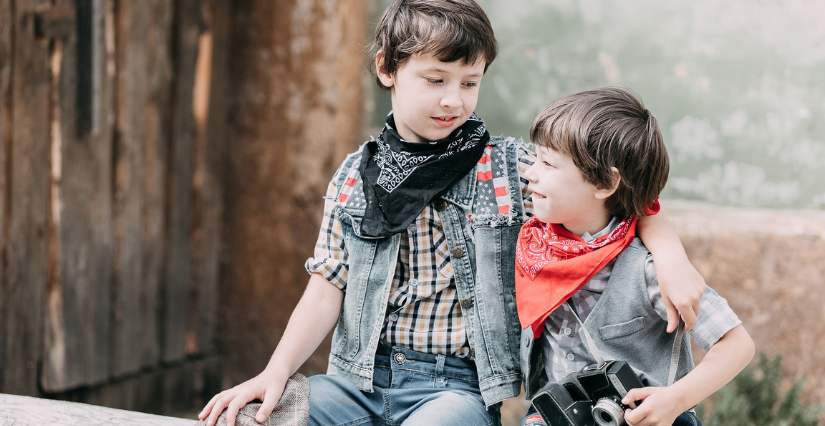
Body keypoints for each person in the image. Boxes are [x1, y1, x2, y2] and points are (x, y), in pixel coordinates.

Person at [199, 2, 707, 425]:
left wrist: (669, 254)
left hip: (455, 391)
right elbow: (326, 285)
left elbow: (612, 194)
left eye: (469, 82)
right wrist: (275, 372)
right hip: (357, 383)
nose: (452, 100)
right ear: (387, 69)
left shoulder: (507, 168)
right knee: (249, 418)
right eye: (435, 79)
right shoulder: (356, 177)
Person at [517, 88, 755, 426]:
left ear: (605, 183)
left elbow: (738, 344)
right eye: (535, 156)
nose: (530, 172)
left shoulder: (647, 270)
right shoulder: (532, 237)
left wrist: (675, 400)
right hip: (558, 412)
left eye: (548, 163)